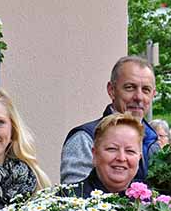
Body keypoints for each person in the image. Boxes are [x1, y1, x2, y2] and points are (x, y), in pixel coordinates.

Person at [60, 56, 160, 184]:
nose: (139, 97)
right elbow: (74, 197)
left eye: (146, 90)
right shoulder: (85, 138)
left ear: (153, 94)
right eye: (130, 87)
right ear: (111, 90)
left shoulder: (152, 142)